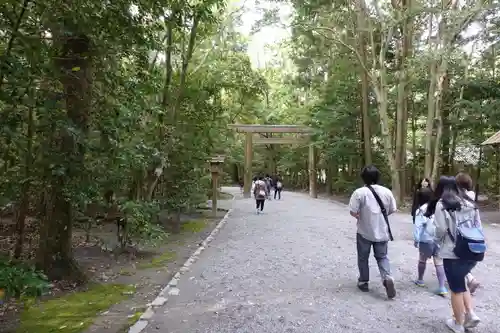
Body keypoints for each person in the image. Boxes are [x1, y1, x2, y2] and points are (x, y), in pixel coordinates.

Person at [430, 176, 483, 332]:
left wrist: (438, 241)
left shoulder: (442, 204)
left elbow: (439, 229)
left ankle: (458, 323)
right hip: (473, 250)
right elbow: (478, 226)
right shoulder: (470, 203)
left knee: (456, 289)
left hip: (452, 252)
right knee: (461, 282)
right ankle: (470, 314)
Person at [348, 165, 397, 299]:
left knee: (363, 257)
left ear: (363, 177)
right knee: (382, 257)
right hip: (382, 231)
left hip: (364, 231)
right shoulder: (387, 192)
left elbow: (353, 211)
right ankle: (387, 277)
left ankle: (364, 281)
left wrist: (360, 216)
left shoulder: (359, 193)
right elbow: (392, 209)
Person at [413, 187, 448, 296]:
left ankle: (420, 279)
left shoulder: (421, 210)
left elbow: (417, 226)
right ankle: (442, 287)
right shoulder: (439, 208)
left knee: (422, 260)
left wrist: (416, 239)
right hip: (438, 239)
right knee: (439, 262)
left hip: (425, 240)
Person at [455, 172, 480, 294]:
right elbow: (478, 223)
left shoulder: (454, 201)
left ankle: (469, 279)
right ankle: (469, 278)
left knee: (457, 260)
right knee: (467, 260)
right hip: (472, 235)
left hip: (459, 236)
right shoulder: (473, 203)